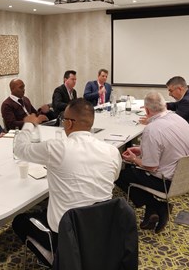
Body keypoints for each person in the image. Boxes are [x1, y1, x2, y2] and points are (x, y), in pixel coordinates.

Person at [12, 98, 122, 263]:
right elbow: (114, 178)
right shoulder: (112, 151)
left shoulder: (57, 148)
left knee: (19, 221)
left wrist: (29, 124)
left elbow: (20, 149)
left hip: (66, 234)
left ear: (69, 123)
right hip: (102, 230)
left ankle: (59, 260)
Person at [115, 92, 189, 234]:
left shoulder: (152, 129)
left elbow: (151, 166)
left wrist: (134, 159)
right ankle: (153, 210)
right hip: (187, 175)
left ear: (146, 110)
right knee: (134, 171)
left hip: (167, 182)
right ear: (164, 105)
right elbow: (168, 145)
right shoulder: (178, 119)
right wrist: (142, 149)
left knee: (121, 175)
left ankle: (157, 205)